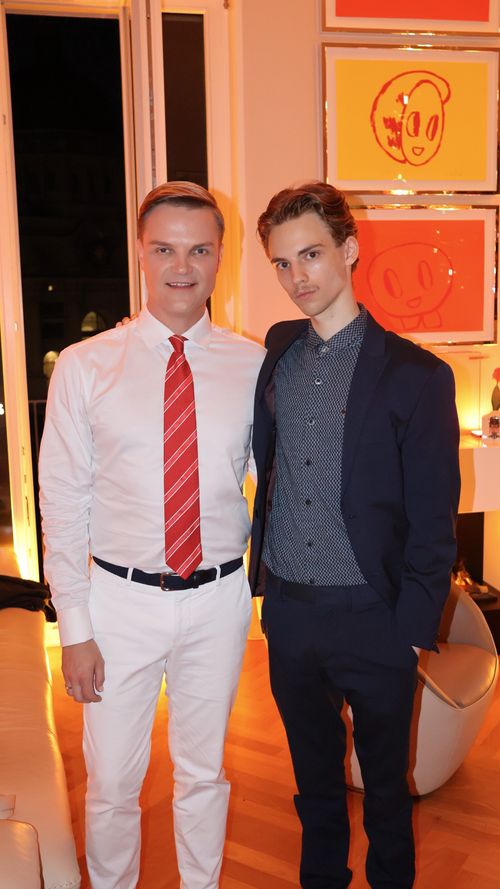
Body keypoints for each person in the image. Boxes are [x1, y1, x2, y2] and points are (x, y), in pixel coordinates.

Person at [39, 181, 265, 889]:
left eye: (199, 250)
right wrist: (74, 627)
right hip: (119, 604)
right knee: (111, 782)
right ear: (140, 252)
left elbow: (284, 483)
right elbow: (61, 501)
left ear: (221, 255)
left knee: (205, 773)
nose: (182, 266)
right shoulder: (84, 366)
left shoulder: (255, 365)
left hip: (218, 599)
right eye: (165, 249)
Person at [248, 181, 460, 889]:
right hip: (291, 611)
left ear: (349, 248)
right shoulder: (278, 351)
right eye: (282, 263)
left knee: (387, 792)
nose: (297, 278)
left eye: (310, 255)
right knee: (313, 788)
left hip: (375, 617)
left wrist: (411, 630)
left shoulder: (417, 376)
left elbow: (434, 518)